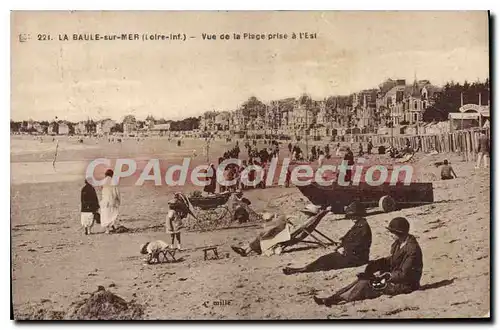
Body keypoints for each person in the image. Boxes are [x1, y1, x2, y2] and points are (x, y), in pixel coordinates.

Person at [313, 217, 423, 306]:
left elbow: (405, 274)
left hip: (406, 285)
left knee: (367, 283)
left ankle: (340, 299)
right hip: (395, 279)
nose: (390, 234)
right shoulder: (399, 243)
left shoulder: (412, 249)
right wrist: (376, 264)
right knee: (363, 278)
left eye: (392, 232)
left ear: (399, 233)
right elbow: (392, 260)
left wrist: (385, 276)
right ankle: (334, 297)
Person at [283, 201, 371, 275]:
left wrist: (344, 249)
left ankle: (302, 269)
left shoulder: (363, 227)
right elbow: (349, 239)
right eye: (351, 216)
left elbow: (359, 245)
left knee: (325, 261)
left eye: (354, 216)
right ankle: (302, 269)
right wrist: (341, 245)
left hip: (356, 258)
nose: (352, 218)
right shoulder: (359, 225)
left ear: (359, 215)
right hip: (353, 255)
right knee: (325, 260)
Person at [100, 169, 121, 234]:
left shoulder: (103, 182)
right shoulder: (113, 181)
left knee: (106, 215)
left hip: (105, 201)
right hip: (112, 201)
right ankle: (112, 227)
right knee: (112, 214)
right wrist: (119, 200)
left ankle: (107, 230)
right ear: (112, 174)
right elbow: (117, 193)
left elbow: (102, 192)